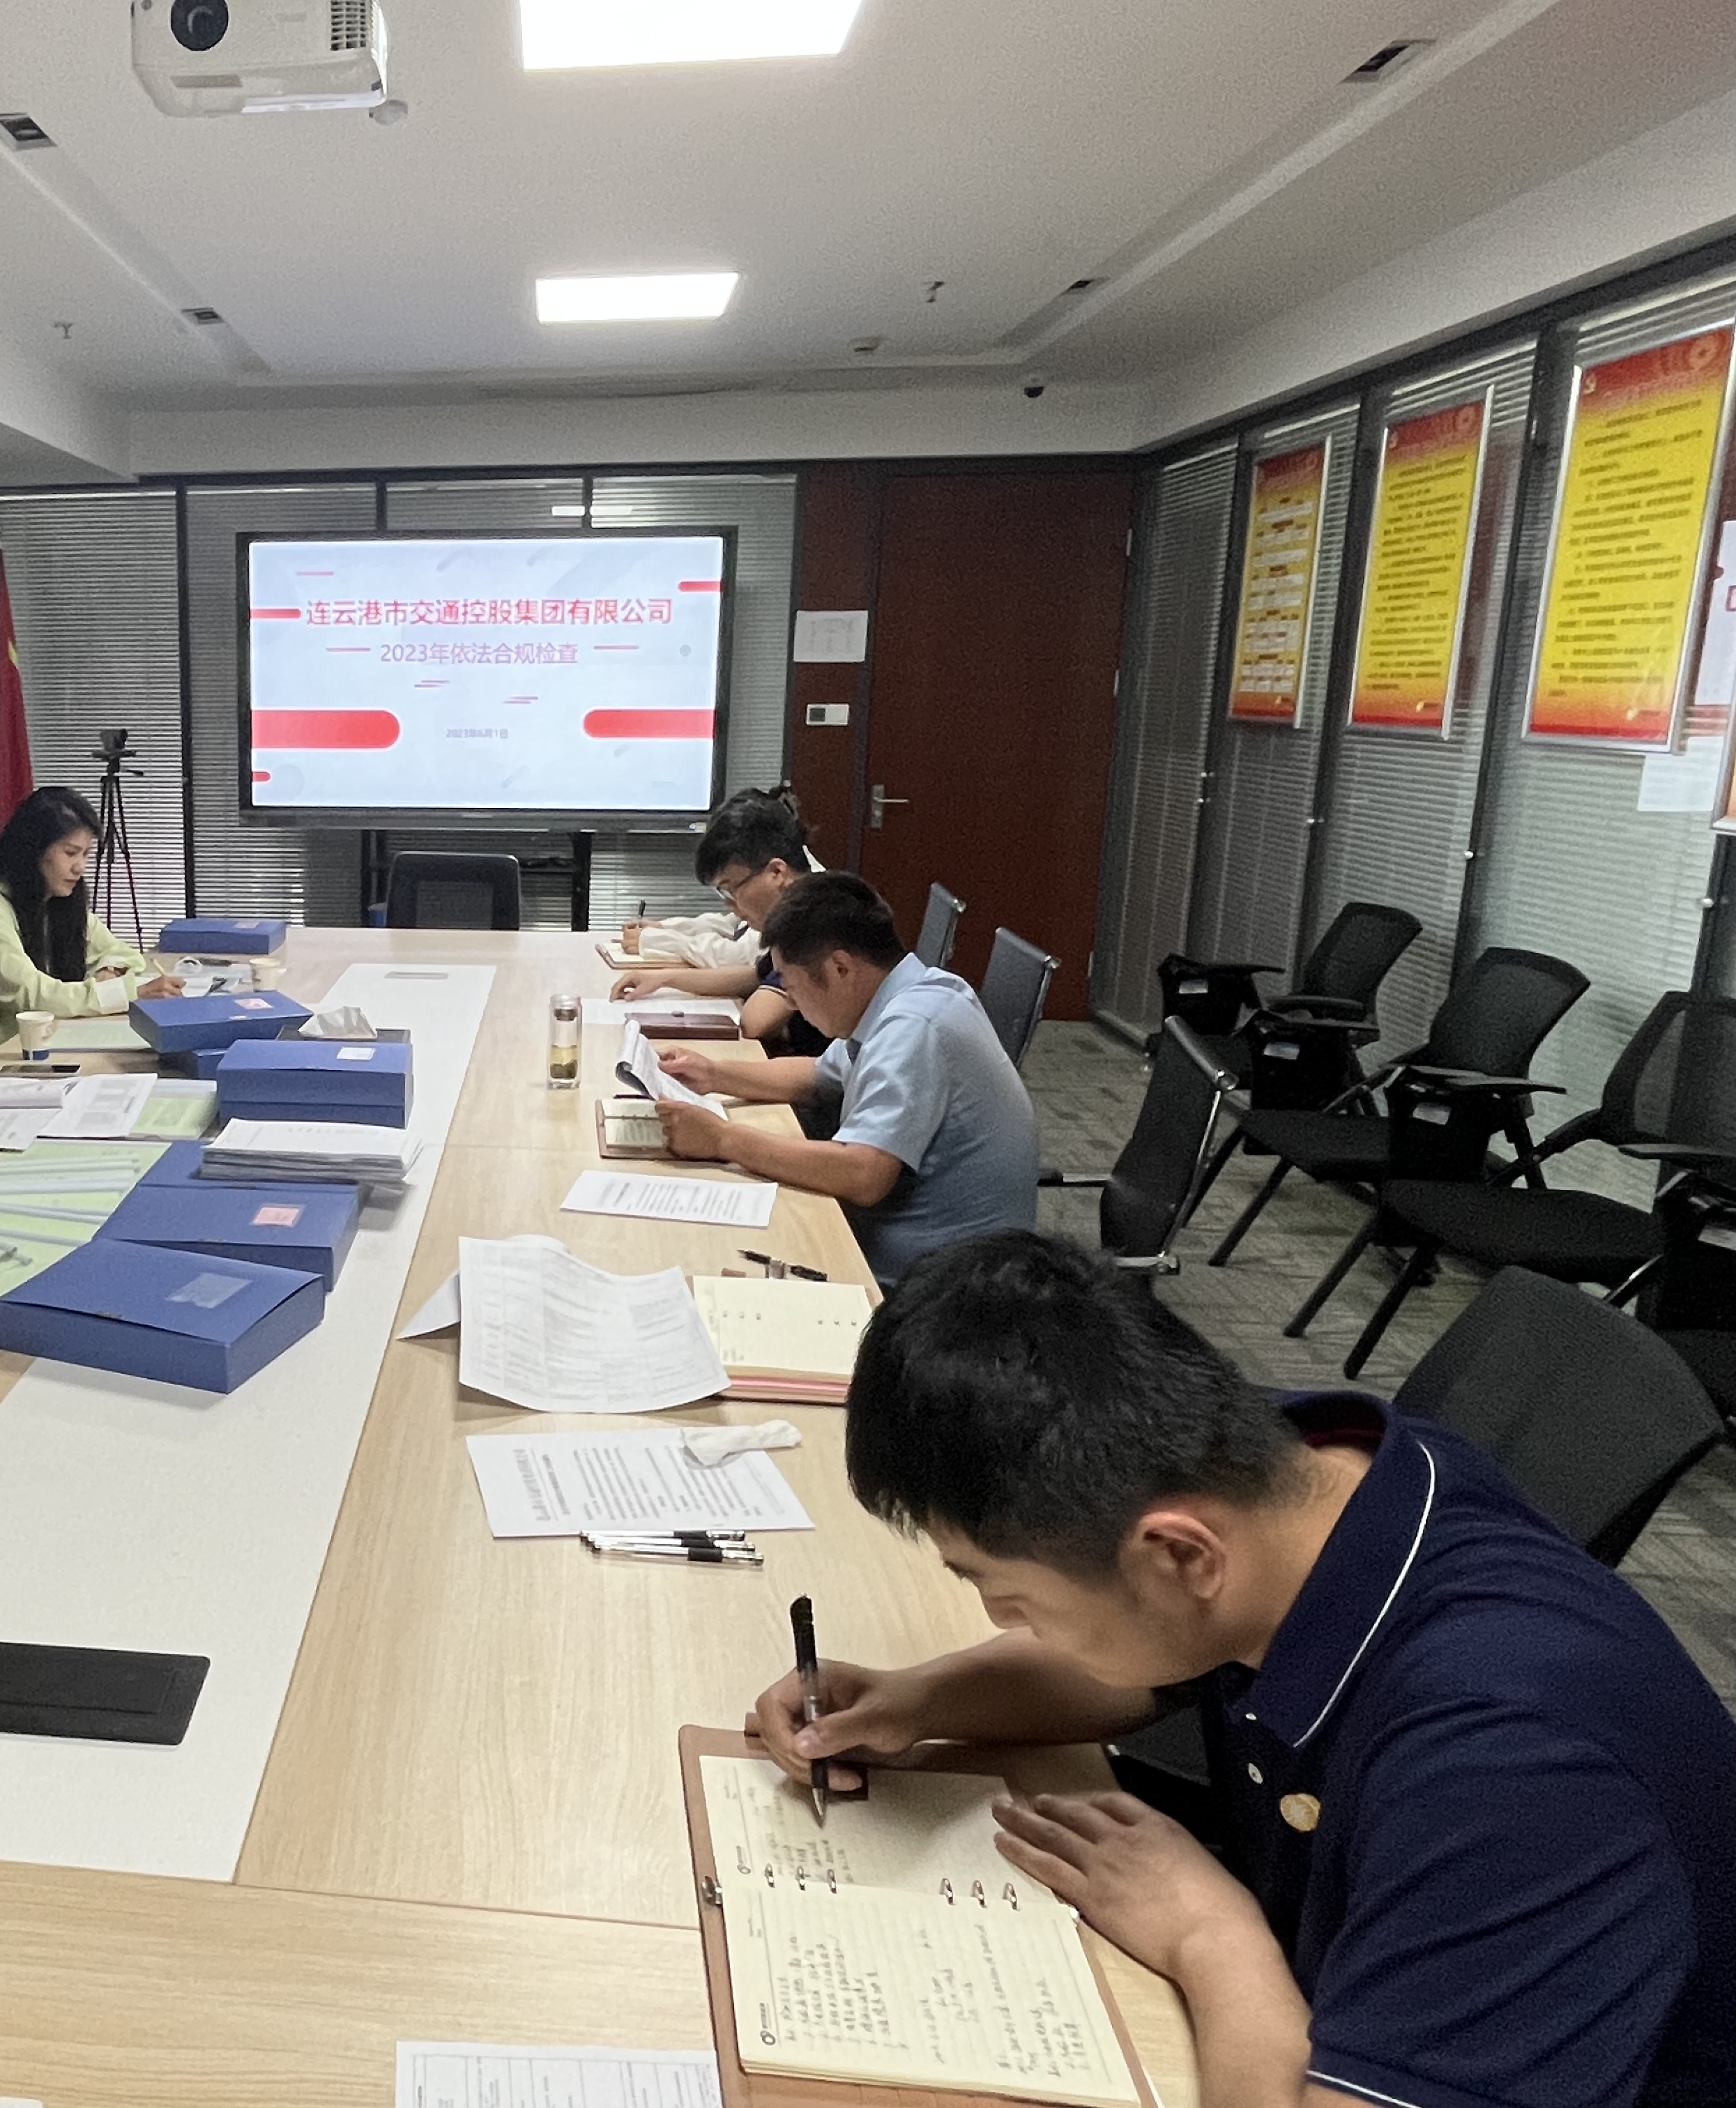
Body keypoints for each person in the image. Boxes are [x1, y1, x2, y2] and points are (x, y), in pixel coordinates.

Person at [752, 1232, 1736, 2108]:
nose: (1000, 1622)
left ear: (1179, 1556)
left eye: (1004, 1593)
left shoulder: (1511, 1772)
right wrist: (922, 1699)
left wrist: (1208, 1934)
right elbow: (1146, 1661)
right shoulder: (1283, 1468)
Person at [653, 872, 1035, 1284]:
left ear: (840, 968)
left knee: (704, 1267)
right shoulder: (913, 992)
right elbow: (817, 1073)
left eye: (792, 986)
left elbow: (863, 1174)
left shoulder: (915, 1026)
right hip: (913, 1249)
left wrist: (722, 1139)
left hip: (938, 1284)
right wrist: (711, 1073)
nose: (792, 1004)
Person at [0, 785, 181, 1064]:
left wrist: (109, 971)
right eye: (70, 853)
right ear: (34, 850)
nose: (80, 868)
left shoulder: (56, 900)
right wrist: (126, 992)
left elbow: (125, 955)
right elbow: (32, 997)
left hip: (33, 1046)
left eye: (85, 854)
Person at [611, 790, 824, 1051]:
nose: (730, 904)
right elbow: (754, 975)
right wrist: (665, 979)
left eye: (732, 888)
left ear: (777, 873)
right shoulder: (802, 904)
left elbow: (756, 1021)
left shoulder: (814, 917)